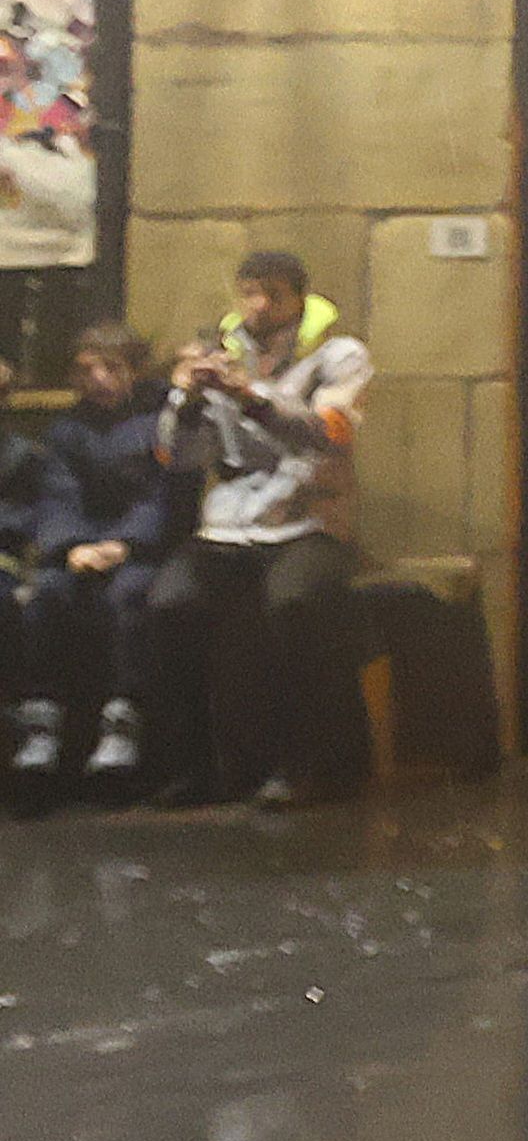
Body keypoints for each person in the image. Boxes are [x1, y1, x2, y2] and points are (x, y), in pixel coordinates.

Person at [147, 253, 373, 806]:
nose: (258, 306)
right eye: (249, 293)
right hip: (229, 527)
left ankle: (310, 765)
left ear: (300, 299)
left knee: (293, 604)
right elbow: (175, 457)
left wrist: (250, 396)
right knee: (169, 605)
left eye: (272, 294)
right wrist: (187, 397)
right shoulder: (220, 352)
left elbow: (327, 433)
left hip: (311, 520)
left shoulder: (338, 356)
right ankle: (200, 767)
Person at [9, 326, 179, 792]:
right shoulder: (67, 430)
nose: (98, 379)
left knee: (129, 596)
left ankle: (122, 722)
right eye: (86, 370)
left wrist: (125, 543)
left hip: (138, 549)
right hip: (82, 546)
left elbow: (161, 494)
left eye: (110, 368)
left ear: (135, 372)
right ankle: (42, 721)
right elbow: (58, 495)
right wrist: (72, 545)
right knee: (47, 594)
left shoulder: (157, 423)